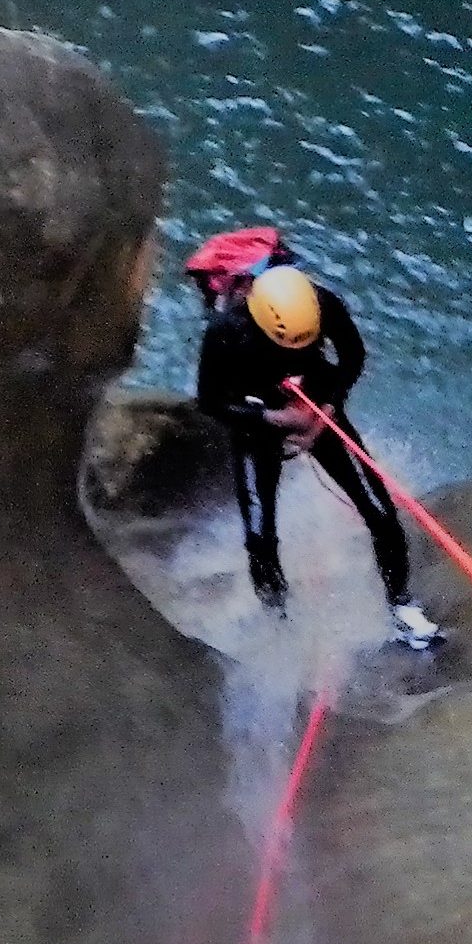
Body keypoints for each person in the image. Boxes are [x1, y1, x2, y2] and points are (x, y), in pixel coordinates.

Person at [186, 227, 442, 650]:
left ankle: (402, 606)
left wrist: (321, 414)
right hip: (258, 420)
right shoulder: (226, 331)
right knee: (259, 535)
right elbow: (211, 401)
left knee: (378, 508)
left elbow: (352, 357)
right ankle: (279, 623)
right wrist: (276, 417)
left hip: (319, 405)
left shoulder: (322, 303)